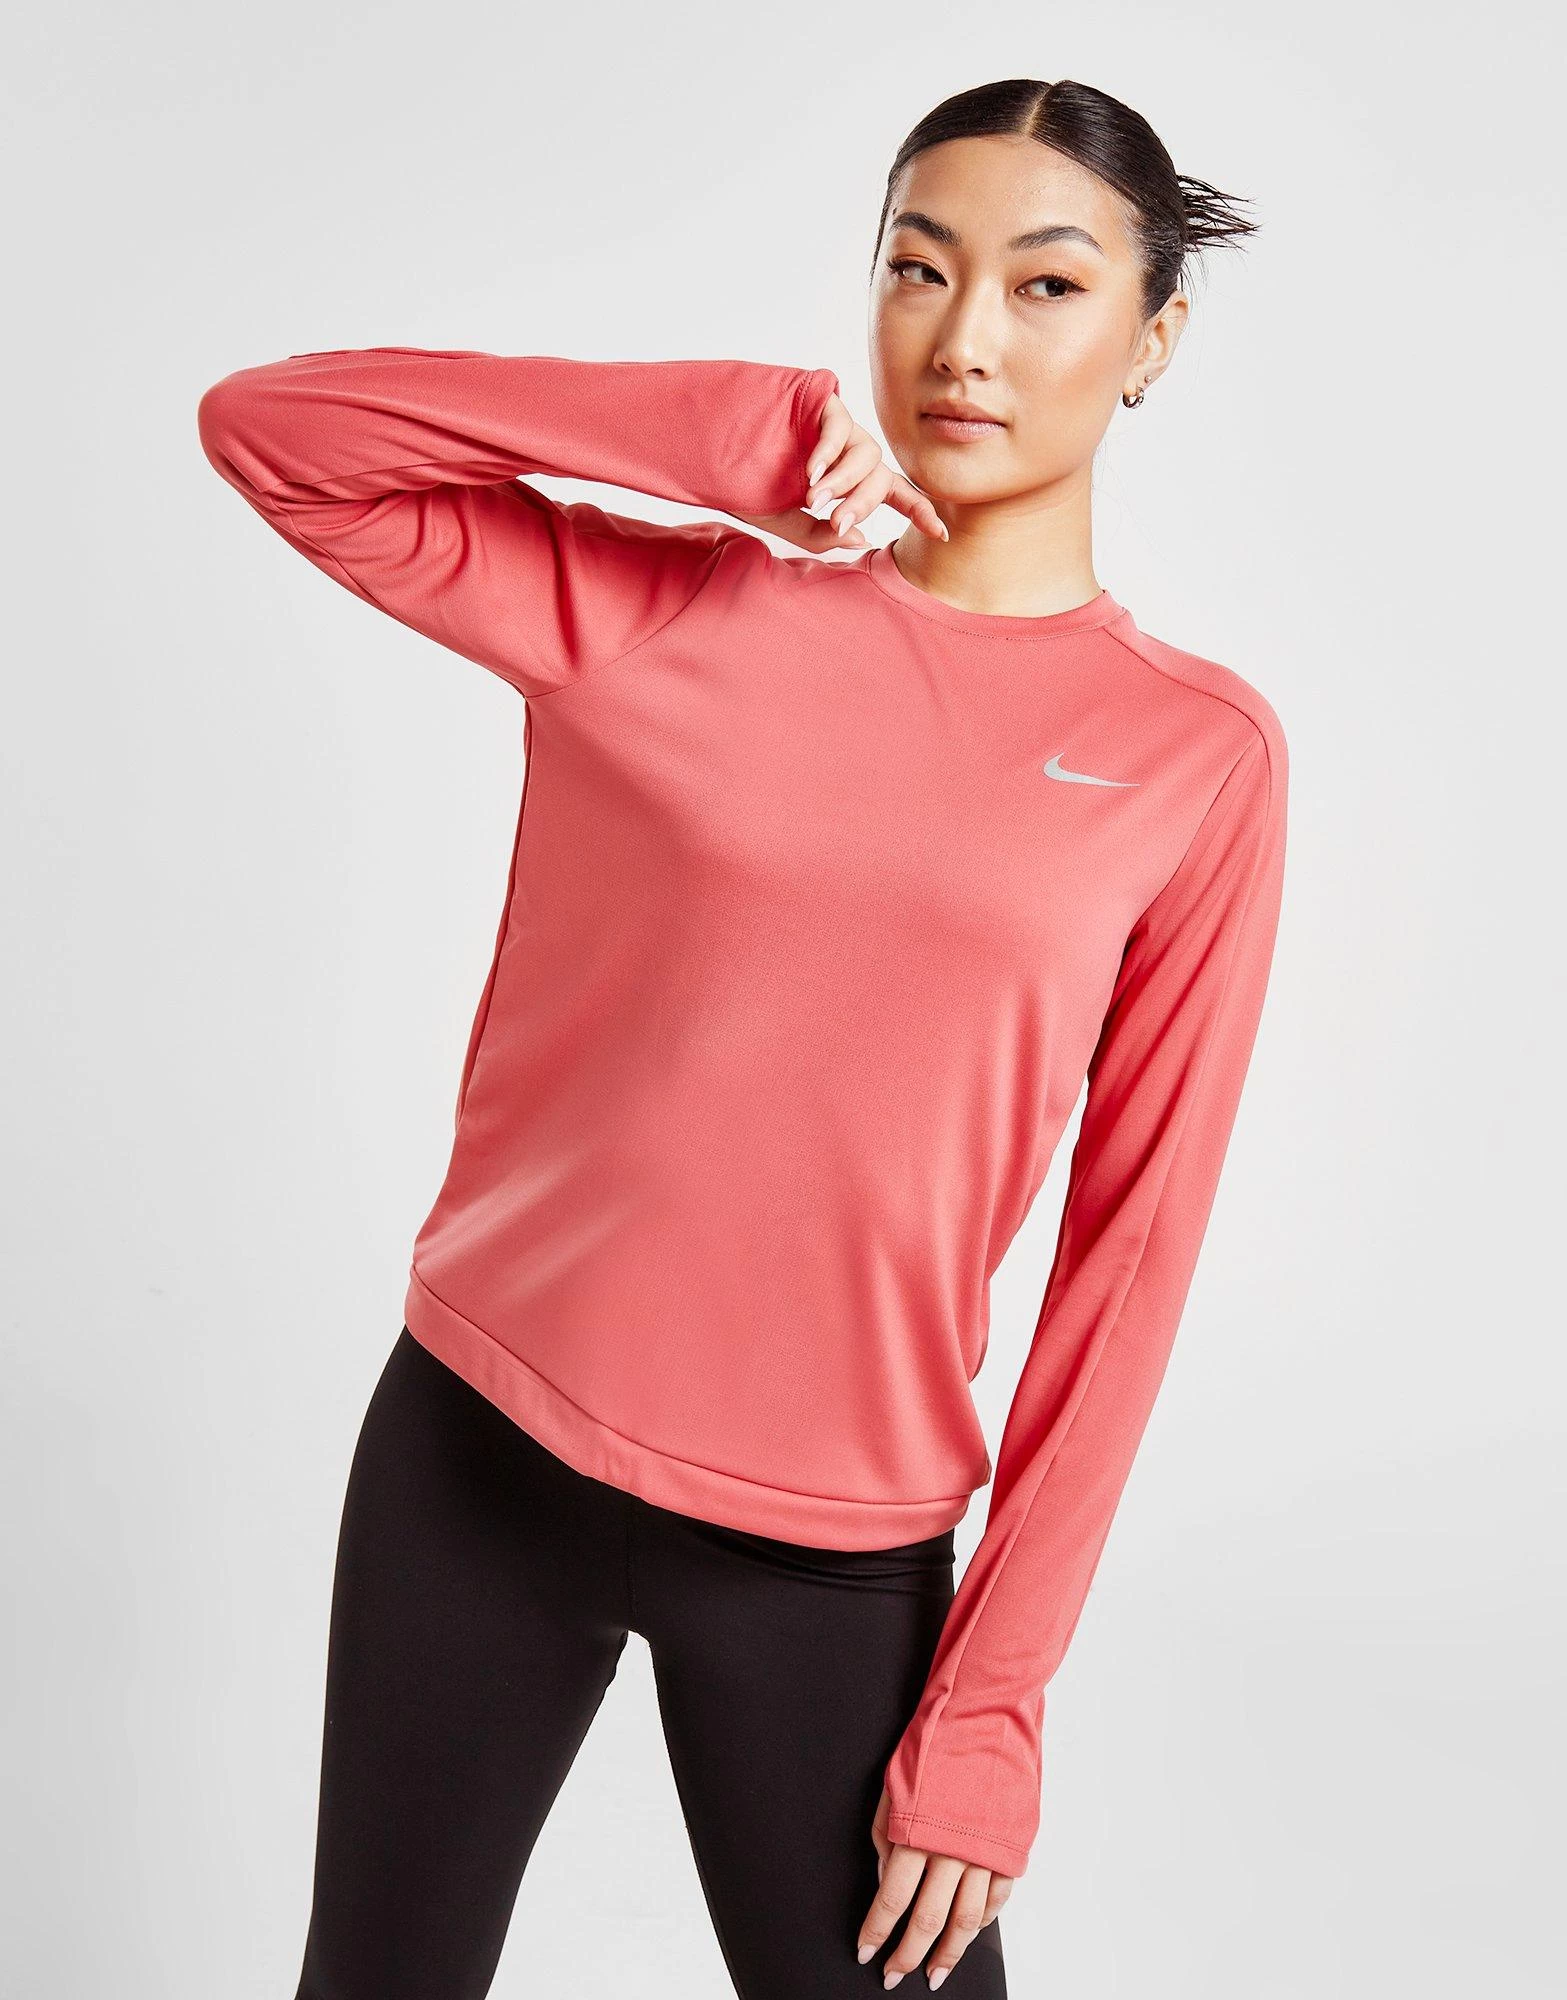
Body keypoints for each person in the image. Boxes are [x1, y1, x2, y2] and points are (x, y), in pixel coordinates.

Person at [197, 74, 1288, 2000]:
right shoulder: (666, 610)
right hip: (478, 1448)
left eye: (1045, 286)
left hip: (829, 1556)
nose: (961, 339)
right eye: (916, 268)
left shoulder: (1190, 758)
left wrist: (990, 1709)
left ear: (1152, 340)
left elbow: (1128, 1264)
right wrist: (715, 439)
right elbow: (278, 436)